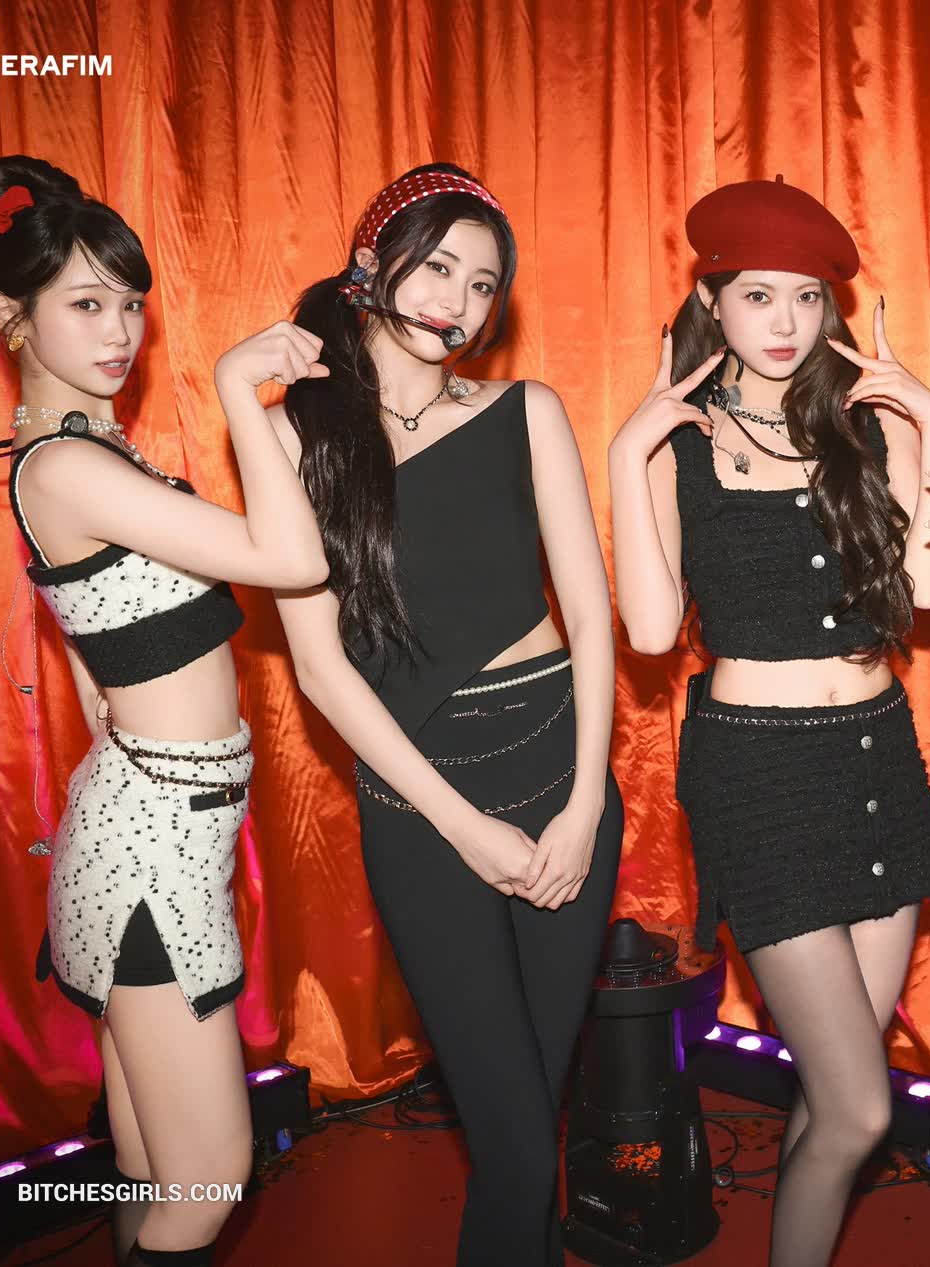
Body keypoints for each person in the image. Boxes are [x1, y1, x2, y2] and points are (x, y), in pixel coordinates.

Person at [0, 154, 330, 1266]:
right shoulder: (66, 466)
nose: (120, 330)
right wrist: (234, 387)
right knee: (207, 1185)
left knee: (155, 1168)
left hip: (149, 818)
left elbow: (97, 635)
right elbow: (290, 560)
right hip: (153, 842)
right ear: (11, 316)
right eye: (86, 304)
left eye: (129, 303)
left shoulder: (89, 450)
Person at [269, 164, 622, 1267]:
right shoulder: (297, 435)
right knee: (513, 1141)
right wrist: (464, 829)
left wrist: (583, 805)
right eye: (437, 268)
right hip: (421, 804)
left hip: (559, 774)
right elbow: (320, 668)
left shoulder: (527, 411)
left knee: (530, 1127)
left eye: (481, 285)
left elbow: (592, 617)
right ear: (370, 265)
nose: (457, 301)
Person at [608, 176, 930, 1267]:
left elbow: (928, 594)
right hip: (758, 778)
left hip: (876, 757)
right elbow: (652, 631)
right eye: (759, 295)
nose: (786, 323)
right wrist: (625, 454)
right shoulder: (675, 442)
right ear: (711, 300)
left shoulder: (861, 426)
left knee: (833, 1086)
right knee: (860, 1108)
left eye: (808, 297)